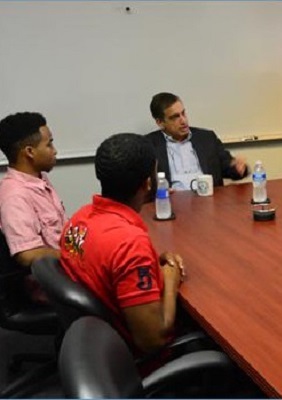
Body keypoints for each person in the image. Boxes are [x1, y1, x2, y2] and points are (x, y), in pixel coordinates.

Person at [60, 133, 184, 355]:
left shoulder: (79, 219)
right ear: (148, 183)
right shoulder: (129, 244)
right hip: (138, 358)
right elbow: (152, 340)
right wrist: (171, 279)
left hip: (96, 343)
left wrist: (153, 265)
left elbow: (105, 265)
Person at [0, 112, 66, 303]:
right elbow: (27, 255)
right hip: (52, 284)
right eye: (49, 144)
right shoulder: (15, 195)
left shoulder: (39, 179)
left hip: (66, 269)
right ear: (29, 152)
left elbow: (59, 230)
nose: (54, 150)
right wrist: (74, 258)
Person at [146, 92, 249, 190]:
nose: (183, 120)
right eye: (175, 117)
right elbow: (142, 186)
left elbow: (229, 169)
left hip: (207, 201)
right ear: (160, 122)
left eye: (183, 113)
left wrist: (239, 168)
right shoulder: (149, 145)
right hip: (171, 203)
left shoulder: (207, 138)